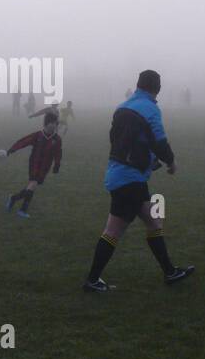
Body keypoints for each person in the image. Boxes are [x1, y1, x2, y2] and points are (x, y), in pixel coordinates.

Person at [83, 69, 194, 291]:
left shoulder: (123, 107)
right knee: (113, 231)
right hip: (129, 179)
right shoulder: (150, 109)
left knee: (153, 221)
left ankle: (170, 272)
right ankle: (92, 280)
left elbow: (120, 140)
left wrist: (148, 160)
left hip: (120, 173)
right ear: (157, 89)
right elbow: (159, 141)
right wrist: (170, 162)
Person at [0, 111, 62, 218]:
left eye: (56, 123)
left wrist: (57, 165)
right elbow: (23, 142)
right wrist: (10, 151)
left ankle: (14, 199)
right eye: (53, 123)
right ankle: (22, 210)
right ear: (47, 123)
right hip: (34, 164)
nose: (55, 125)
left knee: (32, 186)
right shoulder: (38, 135)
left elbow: (58, 153)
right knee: (33, 184)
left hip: (45, 167)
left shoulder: (57, 139)